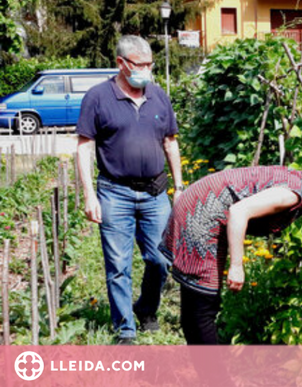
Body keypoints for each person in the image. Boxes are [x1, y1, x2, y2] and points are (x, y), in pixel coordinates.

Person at [159, 158, 302, 345]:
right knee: (203, 306)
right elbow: (239, 211)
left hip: (203, 204)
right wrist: (236, 266)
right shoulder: (290, 194)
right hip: (201, 211)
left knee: (198, 306)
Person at [75, 35, 184, 345]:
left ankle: (146, 308)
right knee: (118, 265)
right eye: (141, 65)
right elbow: (84, 148)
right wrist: (88, 195)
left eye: (150, 64)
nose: (147, 70)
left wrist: (179, 186)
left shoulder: (159, 96)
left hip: (155, 192)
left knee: (161, 259)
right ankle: (126, 330)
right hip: (114, 192)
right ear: (121, 64)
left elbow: (170, 143)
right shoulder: (97, 98)